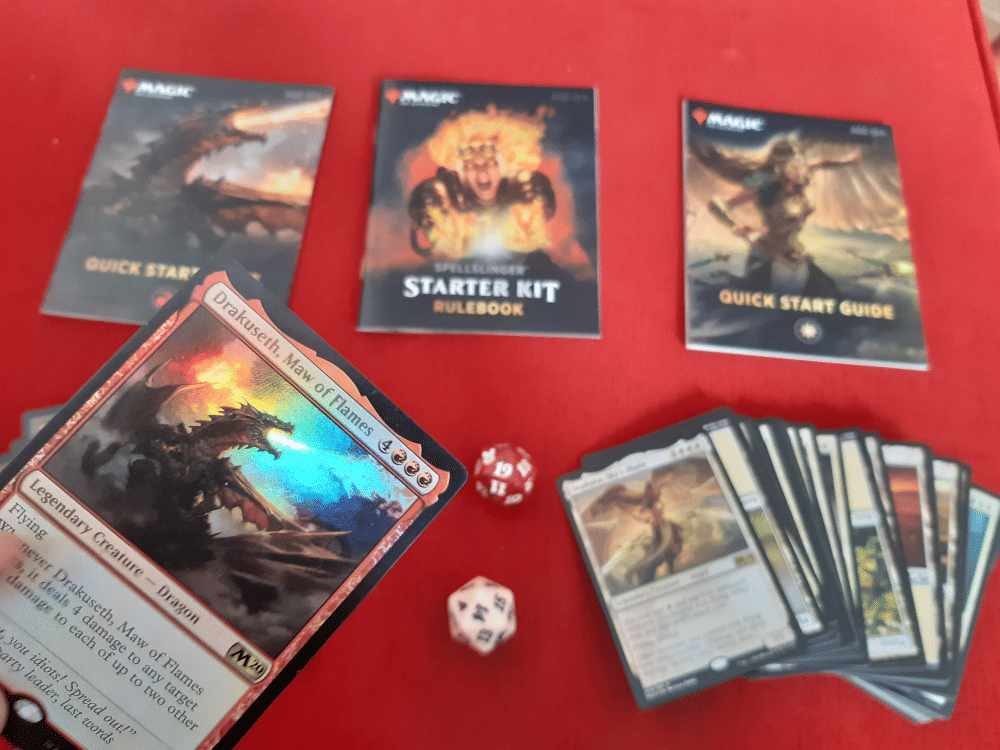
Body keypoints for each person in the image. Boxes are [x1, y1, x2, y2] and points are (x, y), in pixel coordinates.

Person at [693, 135, 861, 297]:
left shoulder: (799, 184)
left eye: (798, 163)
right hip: (768, 254)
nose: (799, 169)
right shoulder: (765, 189)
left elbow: (820, 164)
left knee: (827, 292)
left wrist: (849, 161)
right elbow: (716, 207)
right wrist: (734, 226)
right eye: (790, 164)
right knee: (762, 299)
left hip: (792, 253)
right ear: (781, 165)